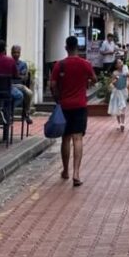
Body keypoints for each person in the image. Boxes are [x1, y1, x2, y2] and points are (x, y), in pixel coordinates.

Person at [50, 35, 96, 186]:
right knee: (78, 138)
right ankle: (76, 173)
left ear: (66, 48)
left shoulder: (59, 65)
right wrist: (86, 82)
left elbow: (53, 85)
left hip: (64, 106)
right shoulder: (85, 64)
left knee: (66, 138)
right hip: (80, 105)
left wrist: (57, 99)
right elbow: (94, 79)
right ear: (78, 47)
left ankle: (65, 170)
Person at [10, 45, 34, 123]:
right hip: (10, 85)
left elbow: (24, 78)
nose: (16, 54)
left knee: (29, 93)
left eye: (18, 52)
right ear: (11, 53)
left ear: (20, 53)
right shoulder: (9, 62)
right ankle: (8, 112)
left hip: (19, 85)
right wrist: (18, 75)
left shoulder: (23, 64)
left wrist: (15, 75)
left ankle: (26, 113)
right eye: (14, 52)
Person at [108, 56, 129, 129]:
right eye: (119, 63)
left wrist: (127, 75)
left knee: (123, 107)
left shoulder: (125, 71)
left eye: (121, 62)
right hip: (117, 92)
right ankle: (120, 123)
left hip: (124, 91)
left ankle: (122, 123)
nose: (121, 64)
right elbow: (112, 83)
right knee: (118, 107)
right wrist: (116, 80)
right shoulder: (115, 73)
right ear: (116, 65)